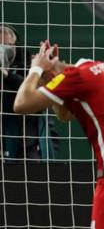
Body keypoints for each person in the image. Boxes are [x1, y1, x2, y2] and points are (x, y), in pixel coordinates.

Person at [13, 40, 104, 229]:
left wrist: (35, 70)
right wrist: (48, 79)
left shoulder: (76, 76)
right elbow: (65, 115)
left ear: (50, 73)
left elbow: (21, 104)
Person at [0, 25, 58, 159]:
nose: (2, 50)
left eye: (7, 45)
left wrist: (7, 76)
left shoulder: (30, 69)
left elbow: (36, 94)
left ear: (16, 48)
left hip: (27, 150)